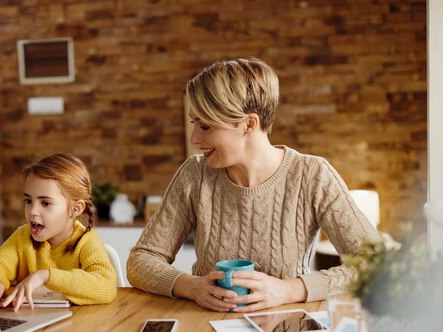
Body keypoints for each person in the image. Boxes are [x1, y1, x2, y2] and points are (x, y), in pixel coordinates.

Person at [127, 57, 380, 313]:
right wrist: (191, 286)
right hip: (205, 331)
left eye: (206, 126)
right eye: (195, 124)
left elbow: (374, 263)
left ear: (248, 124)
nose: (195, 138)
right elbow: (140, 261)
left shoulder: (312, 175)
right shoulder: (195, 175)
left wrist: (289, 289)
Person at [0, 153, 117, 311]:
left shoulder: (87, 241)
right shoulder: (22, 236)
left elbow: (106, 286)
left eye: (46, 203)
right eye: (28, 201)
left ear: (75, 209)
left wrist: (45, 276)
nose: (33, 211)